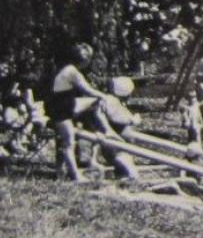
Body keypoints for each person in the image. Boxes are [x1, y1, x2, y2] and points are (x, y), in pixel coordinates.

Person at [48, 43, 108, 182]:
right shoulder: (72, 72)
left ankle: (95, 135)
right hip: (61, 111)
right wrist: (104, 96)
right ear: (85, 59)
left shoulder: (67, 69)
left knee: (94, 104)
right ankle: (76, 176)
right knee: (69, 143)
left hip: (64, 106)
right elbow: (87, 89)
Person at [90, 76, 141, 181]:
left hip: (118, 140)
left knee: (122, 158)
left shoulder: (111, 100)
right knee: (122, 157)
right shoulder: (112, 102)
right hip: (116, 140)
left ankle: (123, 175)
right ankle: (132, 175)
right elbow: (117, 118)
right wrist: (132, 120)